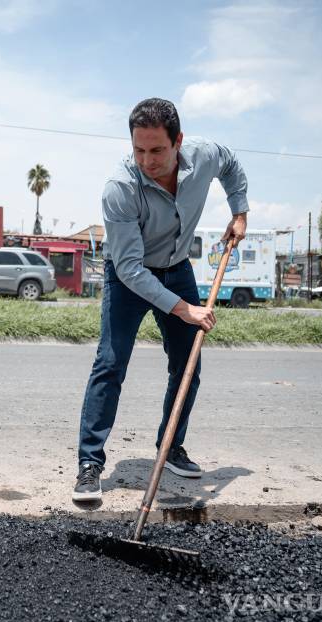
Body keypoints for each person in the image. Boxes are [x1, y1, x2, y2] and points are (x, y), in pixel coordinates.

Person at [72, 98, 248, 502]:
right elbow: (132, 270)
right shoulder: (120, 188)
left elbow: (232, 165)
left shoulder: (204, 155)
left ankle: (170, 448)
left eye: (157, 150)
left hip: (177, 267)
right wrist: (184, 308)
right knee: (111, 363)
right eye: (138, 150)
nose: (147, 161)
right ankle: (89, 464)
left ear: (178, 143)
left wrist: (240, 213)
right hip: (128, 274)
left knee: (188, 364)